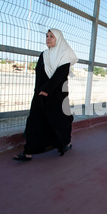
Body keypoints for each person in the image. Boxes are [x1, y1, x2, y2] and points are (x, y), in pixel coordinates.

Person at [13, 28, 78, 161]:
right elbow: (39, 73)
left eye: (52, 36)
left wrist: (47, 89)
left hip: (58, 95)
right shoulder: (43, 54)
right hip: (41, 93)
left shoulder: (64, 54)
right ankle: (28, 151)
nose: (48, 38)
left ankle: (66, 142)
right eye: (47, 36)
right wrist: (38, 91)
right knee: (34, 120)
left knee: (61, 120)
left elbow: (60, 75)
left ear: (58, 39)